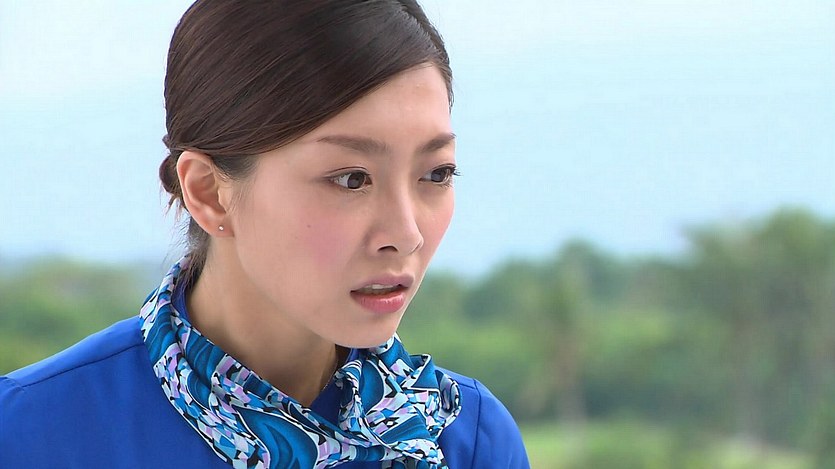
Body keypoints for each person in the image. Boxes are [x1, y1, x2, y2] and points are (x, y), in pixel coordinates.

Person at [0, 1, 530, 467]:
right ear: (209, 192)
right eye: (352, 179)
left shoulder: (464, 439)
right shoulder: (30, 435)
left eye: (436, 174)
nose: (407, 234)